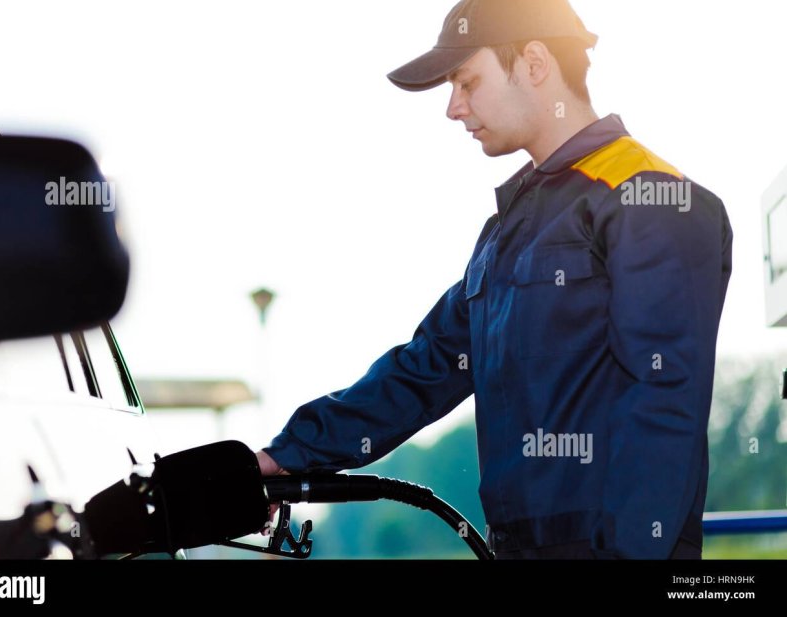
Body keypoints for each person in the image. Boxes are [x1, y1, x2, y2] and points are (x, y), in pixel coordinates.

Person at [257, 0, 733, 559]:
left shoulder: (650, 199)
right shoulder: (509, 228)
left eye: (467, 81)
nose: (453, 108)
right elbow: (423, 368)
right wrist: (281, 456)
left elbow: (663, 405)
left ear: (534, 63)